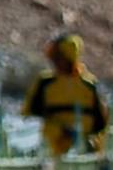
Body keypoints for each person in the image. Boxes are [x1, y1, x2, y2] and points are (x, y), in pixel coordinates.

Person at [27, 30, 108, 159]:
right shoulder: (45, 82)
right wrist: (58, 131)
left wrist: (90, 142)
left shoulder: (88, 84)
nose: (55, 62)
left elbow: (100, 123)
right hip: (51, 151)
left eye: (58, 57)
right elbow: (30, 117)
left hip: (83, 154)